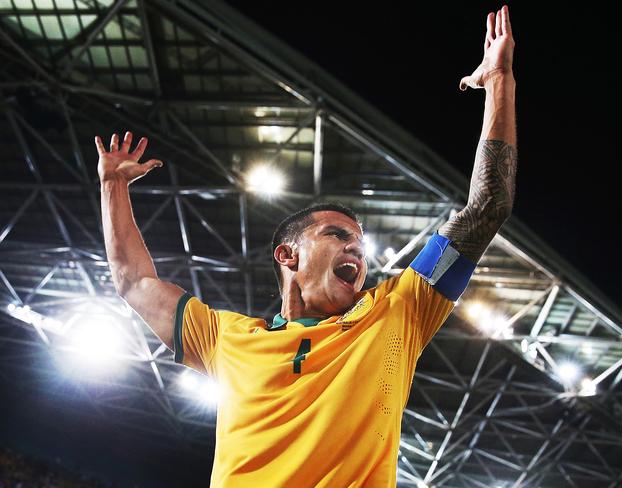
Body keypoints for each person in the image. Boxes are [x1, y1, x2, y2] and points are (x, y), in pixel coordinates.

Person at [96, 5, 516, 487]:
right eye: (337, 235)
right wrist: (113, 186)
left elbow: (488, 205)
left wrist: (499, 81)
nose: (357, 252)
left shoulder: (395, 313)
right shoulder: (227, 339)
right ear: (287, 255)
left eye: (360, 244)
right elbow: (133, 281)